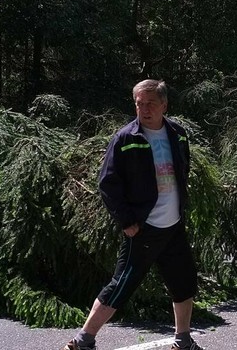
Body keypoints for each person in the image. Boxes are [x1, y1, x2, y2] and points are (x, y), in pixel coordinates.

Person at [64, 80, 202, 350]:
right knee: (121, 286)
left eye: (151, 103)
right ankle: (83, 341)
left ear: (164, 105)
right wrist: (126, 221)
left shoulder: (178, 133)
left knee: (184, 283)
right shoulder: (126, 138)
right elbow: (108, 183)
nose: (145, 109)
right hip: (143, 229)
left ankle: (183, 341)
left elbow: (182, 169)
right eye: (139, 104)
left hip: (173, 226)